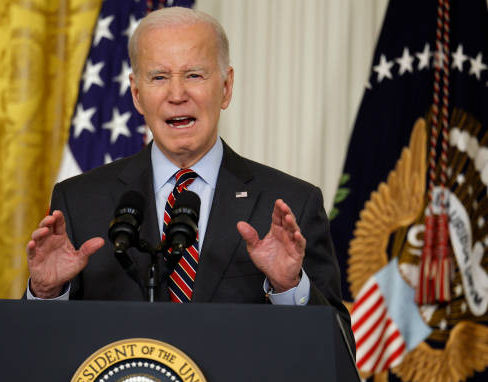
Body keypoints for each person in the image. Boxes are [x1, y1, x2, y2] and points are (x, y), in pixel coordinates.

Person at [25, 7, 353, 346]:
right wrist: (47, 293)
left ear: (226, 88)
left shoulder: (290, 204)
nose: (177, 94)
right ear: (137, 94)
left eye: (194, 75)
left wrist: (289, 287)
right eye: (159, 77)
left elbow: (338, 353)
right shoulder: (79, 202)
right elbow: (38, 358)